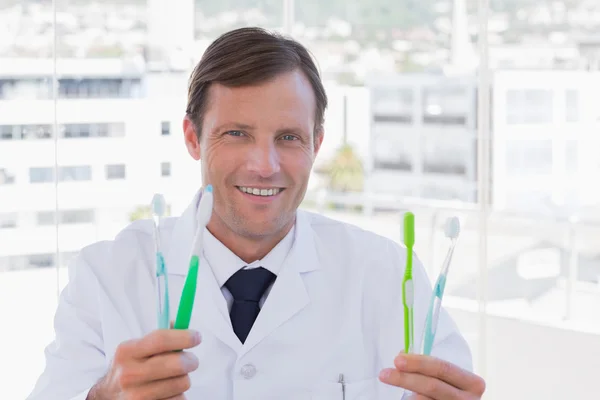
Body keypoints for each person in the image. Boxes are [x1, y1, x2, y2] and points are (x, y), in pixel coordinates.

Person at [28, 27, 485, 400]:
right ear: (192, 137)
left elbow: (448, 385)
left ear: (317, 144)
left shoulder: (388, 276)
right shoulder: (105, 275)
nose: (264, 166)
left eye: (288, 137)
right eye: (237, 133)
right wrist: (103, 398)